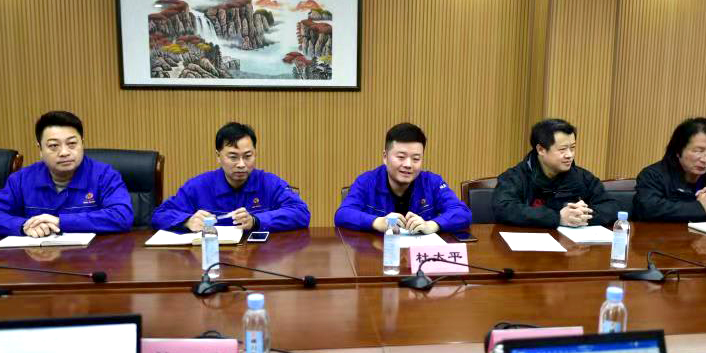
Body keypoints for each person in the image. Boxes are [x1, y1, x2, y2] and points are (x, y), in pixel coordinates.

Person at [0, 111, 133, 237]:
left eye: (72, 144)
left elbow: (122, 216)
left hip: (91, 258)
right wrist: (23, 226)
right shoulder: (22, 179)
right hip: (37, 261)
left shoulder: (104, 176)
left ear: (82, 143)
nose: (64, 152)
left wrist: (60, 222)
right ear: (40, 149)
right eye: (54, 146)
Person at [151, 122, 310, 232]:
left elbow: (301, 213)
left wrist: (256, 220)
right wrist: (187, 221)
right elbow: (159, 215)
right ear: (218, 156)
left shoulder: (269, 183)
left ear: (255, 153)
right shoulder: (198, 186)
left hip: (258, 257)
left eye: (248, 156)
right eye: (233, 157)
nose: (241, 164)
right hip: (213, 257)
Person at [334, 123, 470, 233]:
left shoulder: (432, 182)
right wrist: (377, 222)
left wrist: (433, 225)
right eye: (401, 157)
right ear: (385, 157)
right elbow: (343, 214)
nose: (408, 165)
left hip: (419, 255)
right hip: (378, 253)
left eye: (416, 159)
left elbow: (462, 212)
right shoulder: (366, 181)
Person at [492, 118, 619, 227]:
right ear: (541, 149)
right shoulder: (515, 177)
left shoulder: (583, 177)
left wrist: (580, 216)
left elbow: (612, 206)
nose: (569, 155)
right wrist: (557, 217)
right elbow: (504, 208)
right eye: (562, 149)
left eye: (572, 148)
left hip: (571, 245)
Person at [633, 117, 706, 222]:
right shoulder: (653, 175)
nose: (705, 159)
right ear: (678, 150)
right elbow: (648, 209)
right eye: (698, 151)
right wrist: (700, 207)